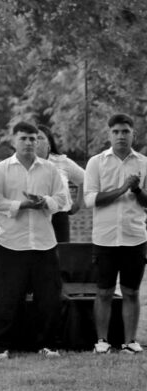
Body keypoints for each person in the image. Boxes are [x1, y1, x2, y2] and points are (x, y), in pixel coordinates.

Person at [0, 122, 67, 359]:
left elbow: (61, 199)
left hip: (44, 242)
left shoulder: (50, 169)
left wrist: (44, 202)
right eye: (24, 138)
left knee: (49, 298)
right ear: (13, 141)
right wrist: (20, 205)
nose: (29, 143)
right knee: (7, 298)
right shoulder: (1, 170)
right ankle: (1, 346)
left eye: (34, 138)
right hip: (12, 242)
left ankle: (48, 344)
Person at [83, 113, 147, 354]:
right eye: (116, 132)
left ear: (133, 134)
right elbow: (90, 199)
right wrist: (122, 189)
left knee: (131, 291)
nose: (121, 136)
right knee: (104, 291)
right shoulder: (96, 162)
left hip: (134, 236)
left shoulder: (144, 163)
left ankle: (130, 342)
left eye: (125, 131)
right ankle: (102, 341)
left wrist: (137, 190)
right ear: (108, 134)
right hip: (105, 237)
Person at [35, 125, 84, 243]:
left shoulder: (62, 162)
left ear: (49, 143)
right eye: (33, 138)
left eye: (40, 137)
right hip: (34, 216)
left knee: (61, 252)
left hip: (59, 216)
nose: (35, 141)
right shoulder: (24, 163)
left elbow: (85, 179)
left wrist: (78, 204)